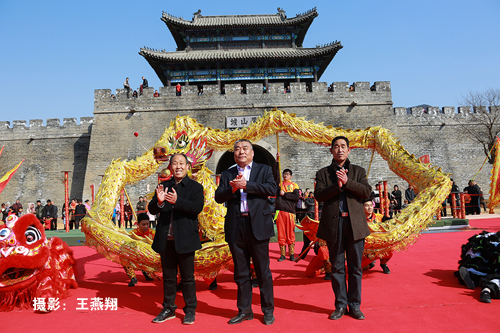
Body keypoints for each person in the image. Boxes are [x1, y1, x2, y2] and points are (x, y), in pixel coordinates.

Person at [215, 139, 277, 326]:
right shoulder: (227, 173)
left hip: (257, 225)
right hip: (236, 226)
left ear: (252, 152)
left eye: (244, 148)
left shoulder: (264, 170)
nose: (240, 152)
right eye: (237, 149)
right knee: (241, 273)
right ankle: (244, 310)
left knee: (262, 271)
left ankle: (267, 310)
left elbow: (272, 189)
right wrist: (233, 188)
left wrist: (247, 185)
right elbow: (218, 197)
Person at [315, 136, 372, 321]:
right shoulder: (323, 173)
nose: (340, 149)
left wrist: (348, 182)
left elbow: (366, 192)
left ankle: (355, 305)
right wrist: (337, 187)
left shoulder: (358, 171)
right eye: (336, 147)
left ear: (349, 150)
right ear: (331, 150)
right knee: (337, 268)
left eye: (343, 146)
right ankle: (340, 305)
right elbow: (319, 196)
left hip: (355, 225)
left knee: (355, 268)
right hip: (334, 225)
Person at [149, 154, 204, 325]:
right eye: (175, 163)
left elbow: (197, 208)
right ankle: (168, 308)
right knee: (169, 277)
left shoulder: (195, 187)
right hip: (166, 239)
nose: (178, 166)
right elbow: (151, 208)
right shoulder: (163, 185)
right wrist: (158, 203)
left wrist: (178, 202)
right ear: (170, 166)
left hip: (186, 239)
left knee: (187, 278)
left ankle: (189, 310)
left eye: (182, 163)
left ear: (188, 166)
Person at [273, 152, 300, 262]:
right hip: (280, 212)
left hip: (290, 213)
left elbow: (296, 197)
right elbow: (275, 176)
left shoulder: (294, 185)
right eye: (284, 174)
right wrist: (277, 161)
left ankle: (292, 254)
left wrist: (285, 194)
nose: (285, 175)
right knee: (281, 234)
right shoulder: (280, 185)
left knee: (291, 233)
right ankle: (282, 255)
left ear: (291, 176)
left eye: (287, 174)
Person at [125, 213, 156, 287]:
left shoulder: (153, 233)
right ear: (138, 224)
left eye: (147, 224)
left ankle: (146, 272)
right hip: (135, 256)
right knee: (124, 257)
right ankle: (133, 278)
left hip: (149, 257)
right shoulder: (132, 234)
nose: (146, 226)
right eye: (143, 224)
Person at [363, 198, 391, 273]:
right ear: (362, 207)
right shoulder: (359, 219)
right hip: (365, 248)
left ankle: (383, 263)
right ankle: (369, 264)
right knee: (358, 267)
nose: (369, 207)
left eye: (371, 205)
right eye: (367, 205)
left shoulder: (380, 217)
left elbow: (391, 222)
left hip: (378, 246)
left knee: (389, 249)